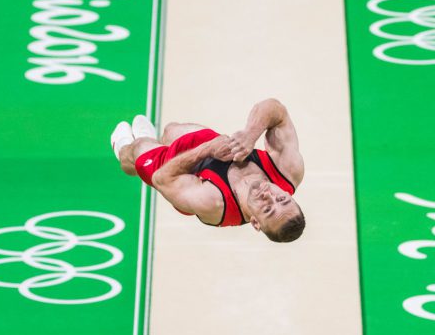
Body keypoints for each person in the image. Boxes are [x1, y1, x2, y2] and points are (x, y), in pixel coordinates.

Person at [110, 99, 305, 242]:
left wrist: (207, 150)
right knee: (171, 130)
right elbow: (276, 110)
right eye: (281, 199)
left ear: (255, 222)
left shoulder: (213, 203)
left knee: (139, 149)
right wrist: (250, 135)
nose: (268, 196)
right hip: (211, 151)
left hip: (181, 176)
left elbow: (162, 179)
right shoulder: (288, 170)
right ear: (289, 194)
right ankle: (155, 142)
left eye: (267, 209)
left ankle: (124, 149)